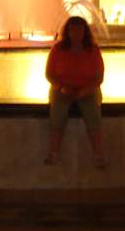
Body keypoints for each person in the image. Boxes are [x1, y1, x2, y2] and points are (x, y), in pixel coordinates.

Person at [45, 16, 107, 168]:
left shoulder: (93, 50)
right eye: (73, 30)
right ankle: (53, 152)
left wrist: (86, 90)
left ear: (85, 32)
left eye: (79, 30)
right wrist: (61, 88)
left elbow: (99, 77)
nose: (76, 34)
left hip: (88, 89)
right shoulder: (57, 49)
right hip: (62, 89)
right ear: (67, 32)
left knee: (93, 114)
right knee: (57, 114)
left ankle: (98, 154)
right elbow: (49, 74)